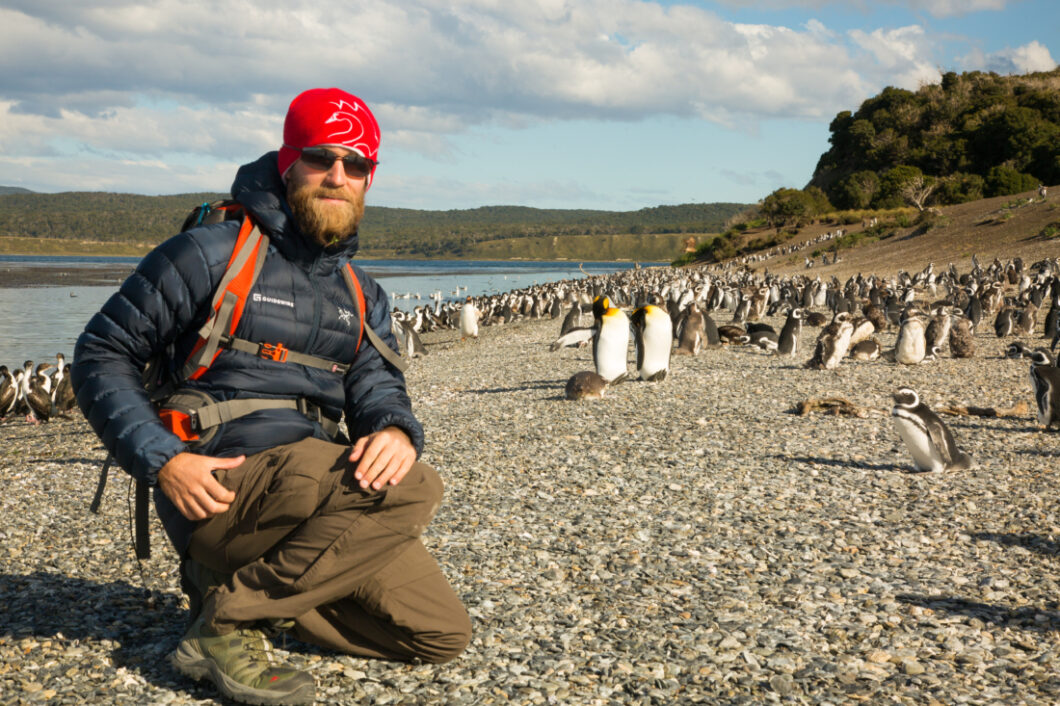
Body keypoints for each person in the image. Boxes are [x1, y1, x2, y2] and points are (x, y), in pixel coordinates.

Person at [71, 88, 471, 706]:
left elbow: (377, 386)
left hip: (314, 490)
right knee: (417, 487)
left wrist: (394, 427)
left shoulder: (362, 292)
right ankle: (228, 622)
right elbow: (101, 353)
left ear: (370, 179)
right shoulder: (210, 253)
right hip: (219, 480)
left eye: (356, 164)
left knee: (439, 633)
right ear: (288, 162)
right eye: (321, 158)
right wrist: (161, 460)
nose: (338, 177)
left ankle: (233, 594)